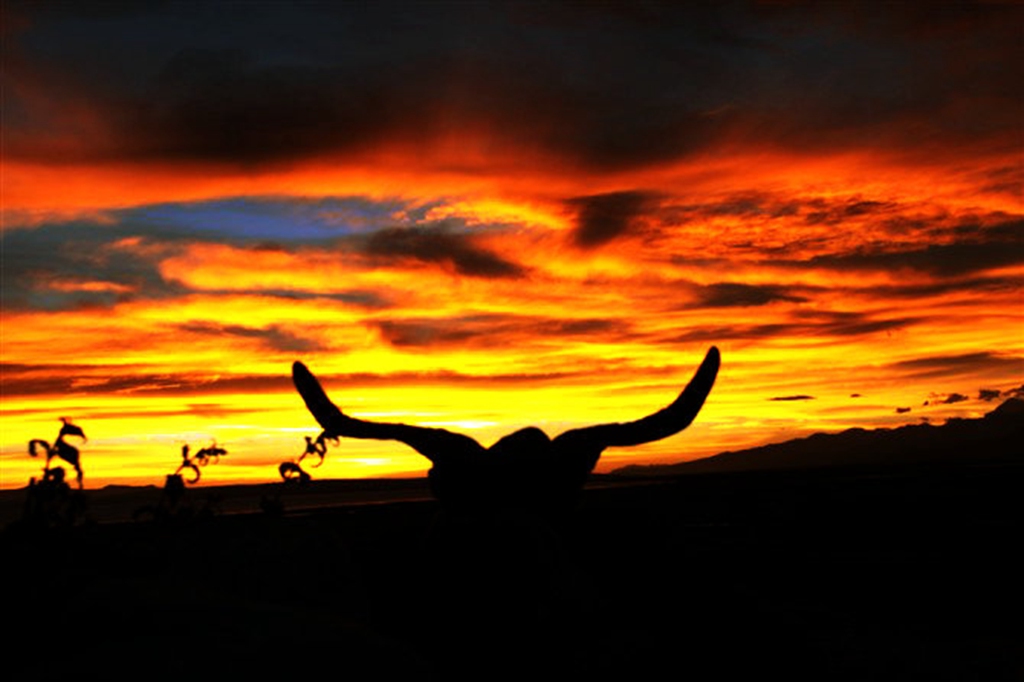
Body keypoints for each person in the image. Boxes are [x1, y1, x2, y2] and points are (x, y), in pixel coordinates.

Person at [293, 347, 720, 517]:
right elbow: (668, 421)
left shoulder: (463, 456)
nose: (524, 434)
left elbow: (362, 427)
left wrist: (331, 417)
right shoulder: (556, 462)